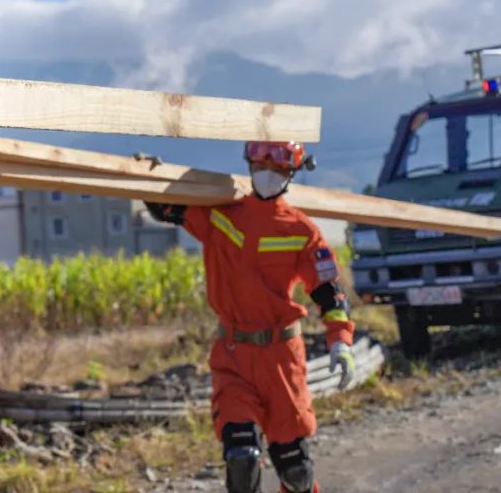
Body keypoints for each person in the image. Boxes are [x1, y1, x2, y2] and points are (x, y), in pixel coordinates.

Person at [144, 141, 355, 493]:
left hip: (282, 360)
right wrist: (150, 176)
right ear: (249, 165)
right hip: (234, 356)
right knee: (241, 456)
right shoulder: (220, 215)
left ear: (293, 173)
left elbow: (330, 292)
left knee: (296, 471)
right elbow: (166, 208)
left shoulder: (302, 232)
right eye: (260, 165)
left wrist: (340, 341)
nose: (267, 173)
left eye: (278, 168)